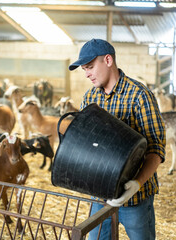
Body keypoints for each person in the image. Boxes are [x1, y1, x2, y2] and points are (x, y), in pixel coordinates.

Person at [68, 39, 166, 240]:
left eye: (90, 67)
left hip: (136, 199)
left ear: (108, 60)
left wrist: (136, 185)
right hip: (100, 197)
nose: (86, 73)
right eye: (84, 69)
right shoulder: (89, 99)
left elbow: (156, 148)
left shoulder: (140, 96)